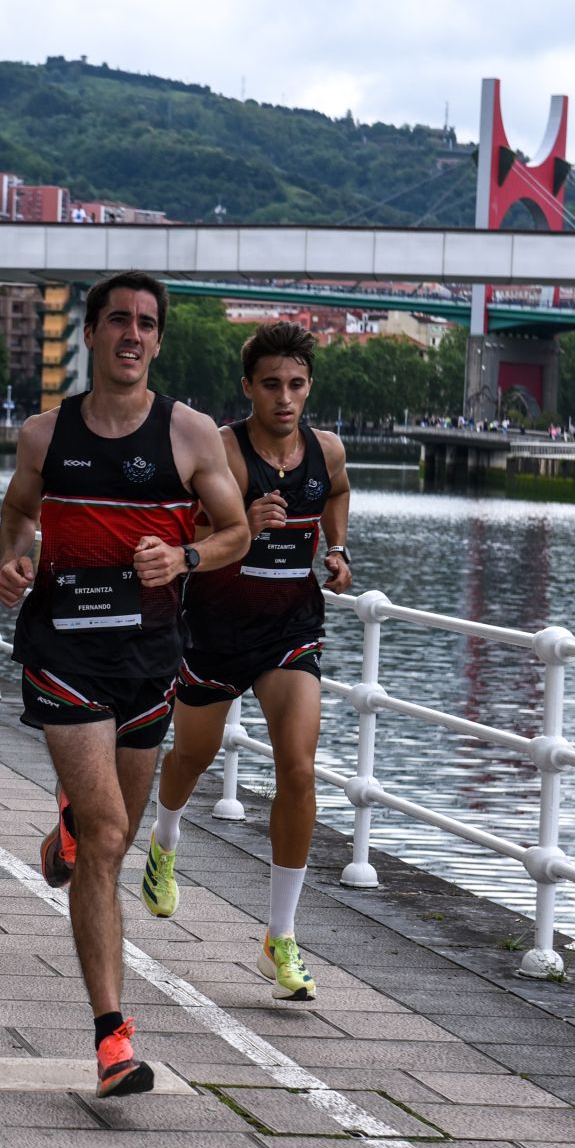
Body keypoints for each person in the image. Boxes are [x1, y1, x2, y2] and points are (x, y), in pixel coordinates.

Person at [0, 272, 249, 1096]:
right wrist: (16, 556)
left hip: (148, 656)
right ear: (93, 335)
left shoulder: (190, 435)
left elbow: (238, 530)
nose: (131, 335)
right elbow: (19, 510)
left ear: (158, 340)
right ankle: (113, 1038)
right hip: (64, 649)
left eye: (146, 324)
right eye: (117, 322)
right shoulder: (46, 434)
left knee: (112, 835)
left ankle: (68, 830)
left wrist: (186, 557)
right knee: (109, 838)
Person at [150, 322, 352, 1002]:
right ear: (248, 388)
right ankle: (166, 836)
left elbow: (340, 493)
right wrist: (245, 528)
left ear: (310, 386)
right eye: (271, 385)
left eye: (296, 384)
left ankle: (281, 938)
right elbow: (187, 536)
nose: (285, 397)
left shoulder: (327, 451)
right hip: (215, 628)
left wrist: (337, 548)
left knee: (298, 769)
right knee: (191, 757)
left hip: (291, 631)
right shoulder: (227, 456)